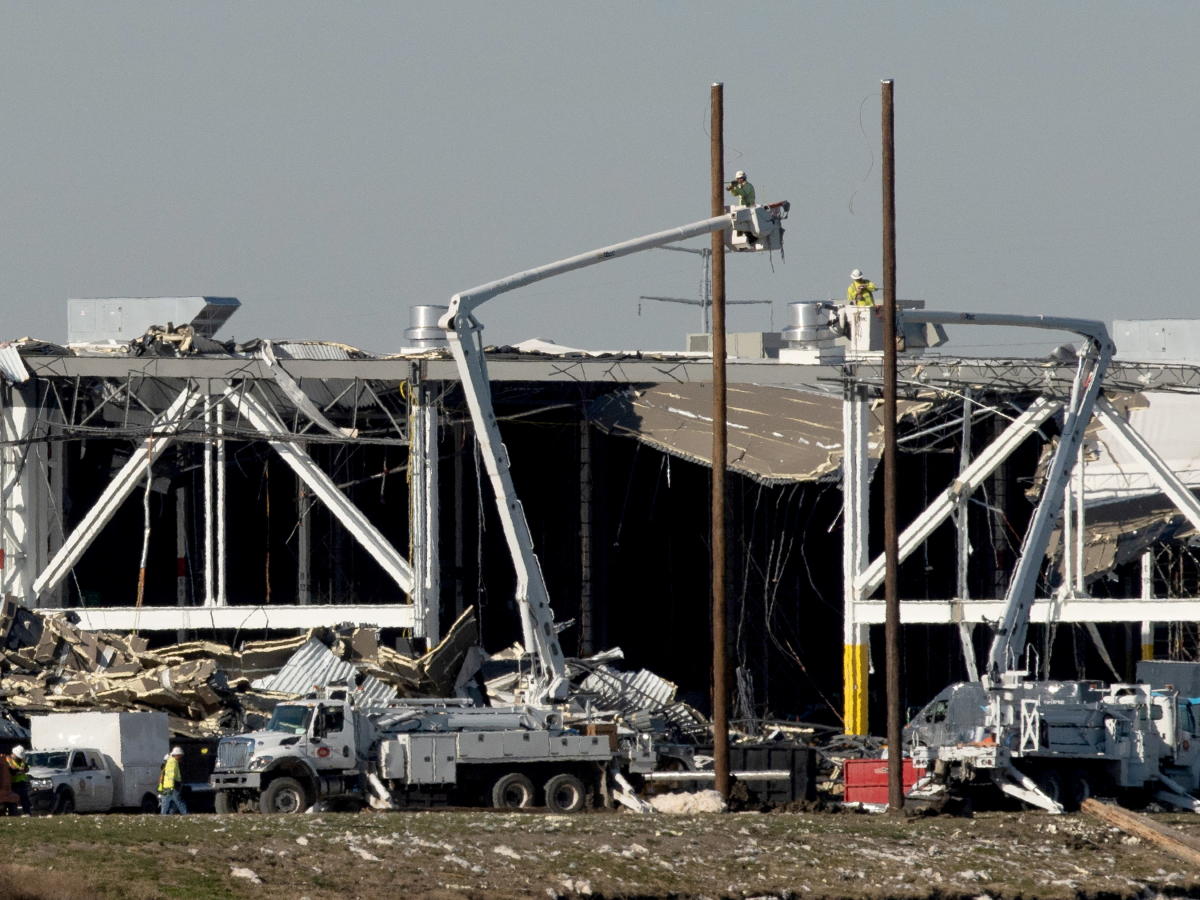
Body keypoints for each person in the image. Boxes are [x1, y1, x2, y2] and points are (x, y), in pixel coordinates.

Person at [158, 746, 188, 815]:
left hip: (167, 787)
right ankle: (186, 815)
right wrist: (173, 786)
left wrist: (160, 786)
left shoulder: (170, 762)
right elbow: (171, 775)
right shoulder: (173, 762)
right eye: (180, 756)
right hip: (172, 786)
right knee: (179, 802)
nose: (181, 757)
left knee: (166, 804)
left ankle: (163, 816)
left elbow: (163, 776)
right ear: (177, 755)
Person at [5, 746, 29, 816]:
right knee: (13, 801)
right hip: (12, 784)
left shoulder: (21, 760)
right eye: (18, 756)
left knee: (25, 800)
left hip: (22, 783)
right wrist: (19, 771)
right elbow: (11, 771)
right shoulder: (8, 760)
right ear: (14, 754)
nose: (19, 758)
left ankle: (27, 813)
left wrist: (23, 770)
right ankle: (14, 814)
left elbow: (26, 768)